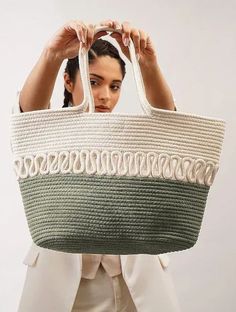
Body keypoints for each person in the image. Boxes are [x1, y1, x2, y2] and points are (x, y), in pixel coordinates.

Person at [15, 19, 181, 312]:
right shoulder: (50, 132)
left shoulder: (134, 136)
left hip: (138, 285)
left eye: (115, 86)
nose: (105, 95)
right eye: (94, 82)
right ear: (68, 81)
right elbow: (28, 115)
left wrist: (149, 65)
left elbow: (170, 125)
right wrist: (52, 56)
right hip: (64, 286)